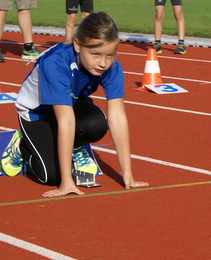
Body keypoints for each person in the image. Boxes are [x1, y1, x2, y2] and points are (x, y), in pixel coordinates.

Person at [1, 12, 149, 197]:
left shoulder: (112, 66)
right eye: (95, 54)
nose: (103, 63)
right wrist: (66, 183)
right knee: (52, 176)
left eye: (110, 55)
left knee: (96, 123)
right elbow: (66, 121)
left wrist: (127, 175)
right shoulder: (56, 62)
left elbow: (117, 118)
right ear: (78, 45)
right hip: (37, 113)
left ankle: (75, 146)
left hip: (70, 102)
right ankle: (22, 144)